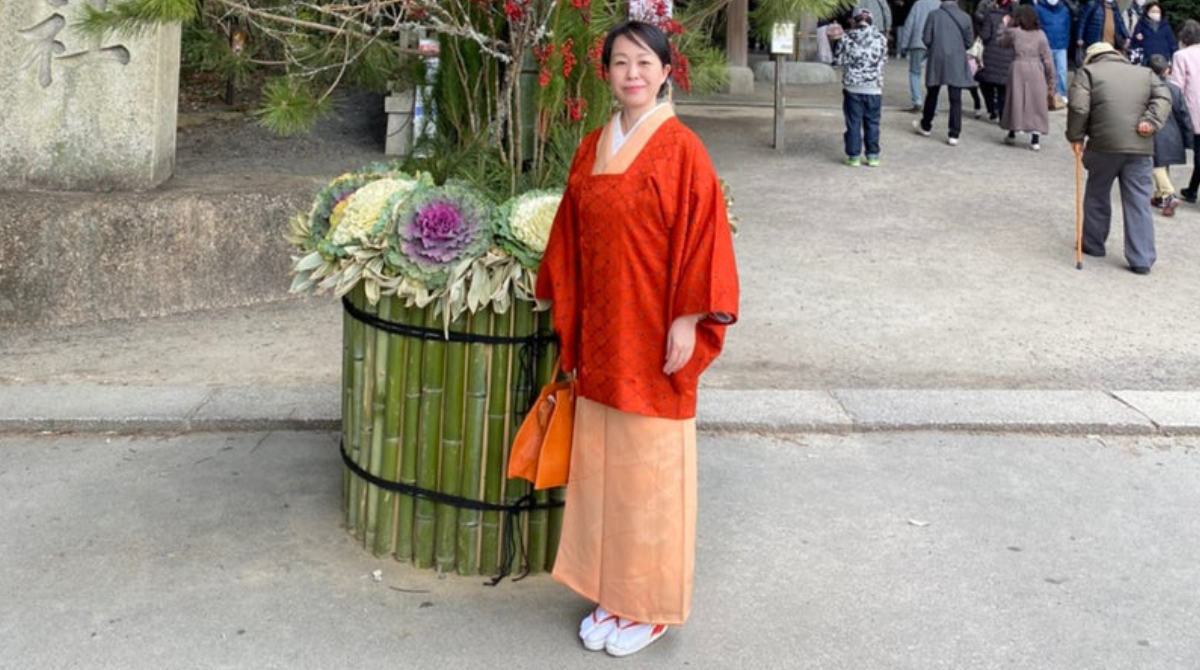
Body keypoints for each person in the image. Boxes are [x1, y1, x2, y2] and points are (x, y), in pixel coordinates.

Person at [535, 20, 740, 658]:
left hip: (654, 330)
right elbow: (568, 230)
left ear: (665, 71)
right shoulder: (592, 145)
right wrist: (556, 292)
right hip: (602, 327)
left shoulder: (682, 149)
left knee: (650, 469)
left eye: (644, 62)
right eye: (621, 62)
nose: (632, 73)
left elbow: (706, 236)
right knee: (602, 466)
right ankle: (608, 589)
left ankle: (646, 605)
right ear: (605, 72)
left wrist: (689, 316)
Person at [1066, 41, 1170, 274]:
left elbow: (1079, 107)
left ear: (1092, 58)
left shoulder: (1088, 73)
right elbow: (1164, 97)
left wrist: (1075, 137)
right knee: (1138, 200)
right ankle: (1141, 258)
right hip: (1140, 145)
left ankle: (1093, 244)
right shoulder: (1145, 73)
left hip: (1103, 144)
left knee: (1097, 194)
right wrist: (1151, 121)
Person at [831, 8, 889, 166]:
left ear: (854, 21)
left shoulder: (846, 38)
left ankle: (854, 156)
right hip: (874, 88)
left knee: (853, 122)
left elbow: (839, 61)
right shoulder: (881, 39)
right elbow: (884, 60)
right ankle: (873, 156)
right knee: (873, 122)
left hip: (853, 88)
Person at [913, 0, 975, 145]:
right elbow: (969, 42)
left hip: (937, 58)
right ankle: (954, 133)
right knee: (955, 97)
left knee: (932, 92)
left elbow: (926, 38)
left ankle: (926, 125)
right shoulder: (965, 17)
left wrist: (936, 46)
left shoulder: (933, 15)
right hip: (957, 58)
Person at [999, 6, 1056, 150]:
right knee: (1036, 101)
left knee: (1015, 99)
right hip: (1035, 67)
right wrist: (1051, 80)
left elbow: (1000, 42)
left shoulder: (1014, 33)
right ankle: (1035, 139)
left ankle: (1012, 132)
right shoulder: (1041, 34)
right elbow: (1048, 59)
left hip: (1018, 67)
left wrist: (1004, 26)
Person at [1147, 54, 1192, 216]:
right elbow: (1183, 115)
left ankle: (1168, 193)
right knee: (1164, 164)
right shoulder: (1175, 89)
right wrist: (1188, 138)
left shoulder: (1146, 87)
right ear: (1167, 70)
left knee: (1156, 165)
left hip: (1154, 131)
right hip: (1173, 133)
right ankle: (1160, 197)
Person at [1171, 20, 1200, 202]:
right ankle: (1191, 189)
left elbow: (1177, 87)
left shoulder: (1181, 56)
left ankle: (1192, 191)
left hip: (1194, 107)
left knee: (1199, 153)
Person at [977, 0, 1017, 121]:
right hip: (1008, 58)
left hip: (990, 57)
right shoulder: (1016, 21)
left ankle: (991, 108)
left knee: (985, 83)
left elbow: (985, 36)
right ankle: (1002, 114)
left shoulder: (991, 16)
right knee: (1002, 89)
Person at [903, 0, 942, 111]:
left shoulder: (918, 4)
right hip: (936, 44)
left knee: (914, 72)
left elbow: (910, 23)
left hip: (918, 42)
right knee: (934, 76)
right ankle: (934, 106)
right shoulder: (940, 4)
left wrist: (905, 44)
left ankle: (917, 100)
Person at [1035, 0, 1072, 102]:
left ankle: (1061, 94)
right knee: (1046, 72)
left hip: (1061, 45)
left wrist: (1066, 41)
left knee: (1061, 71)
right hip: (1046, 46)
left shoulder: (1064, 9)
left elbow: (1068, 26)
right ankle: (1046, 94)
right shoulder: (1038, 9)